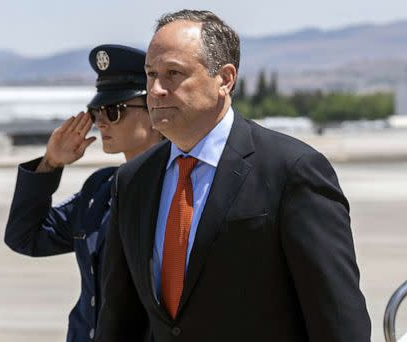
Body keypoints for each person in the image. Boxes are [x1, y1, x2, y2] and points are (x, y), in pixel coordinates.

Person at [95, 10, 371, 342]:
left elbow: (338, 319)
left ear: (225, 79)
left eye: (173, 73)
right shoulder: (133, 181)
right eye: (151, 74)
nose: (155, 89)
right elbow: (119, 319)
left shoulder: (291, 171)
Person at [4, 44, 162, 342]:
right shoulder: (100, 190)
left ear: (155, 110)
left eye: (114, 111)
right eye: (96, 111)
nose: (101, 121)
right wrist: (49, 164)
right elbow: (25, 237)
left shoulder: (179, 189)